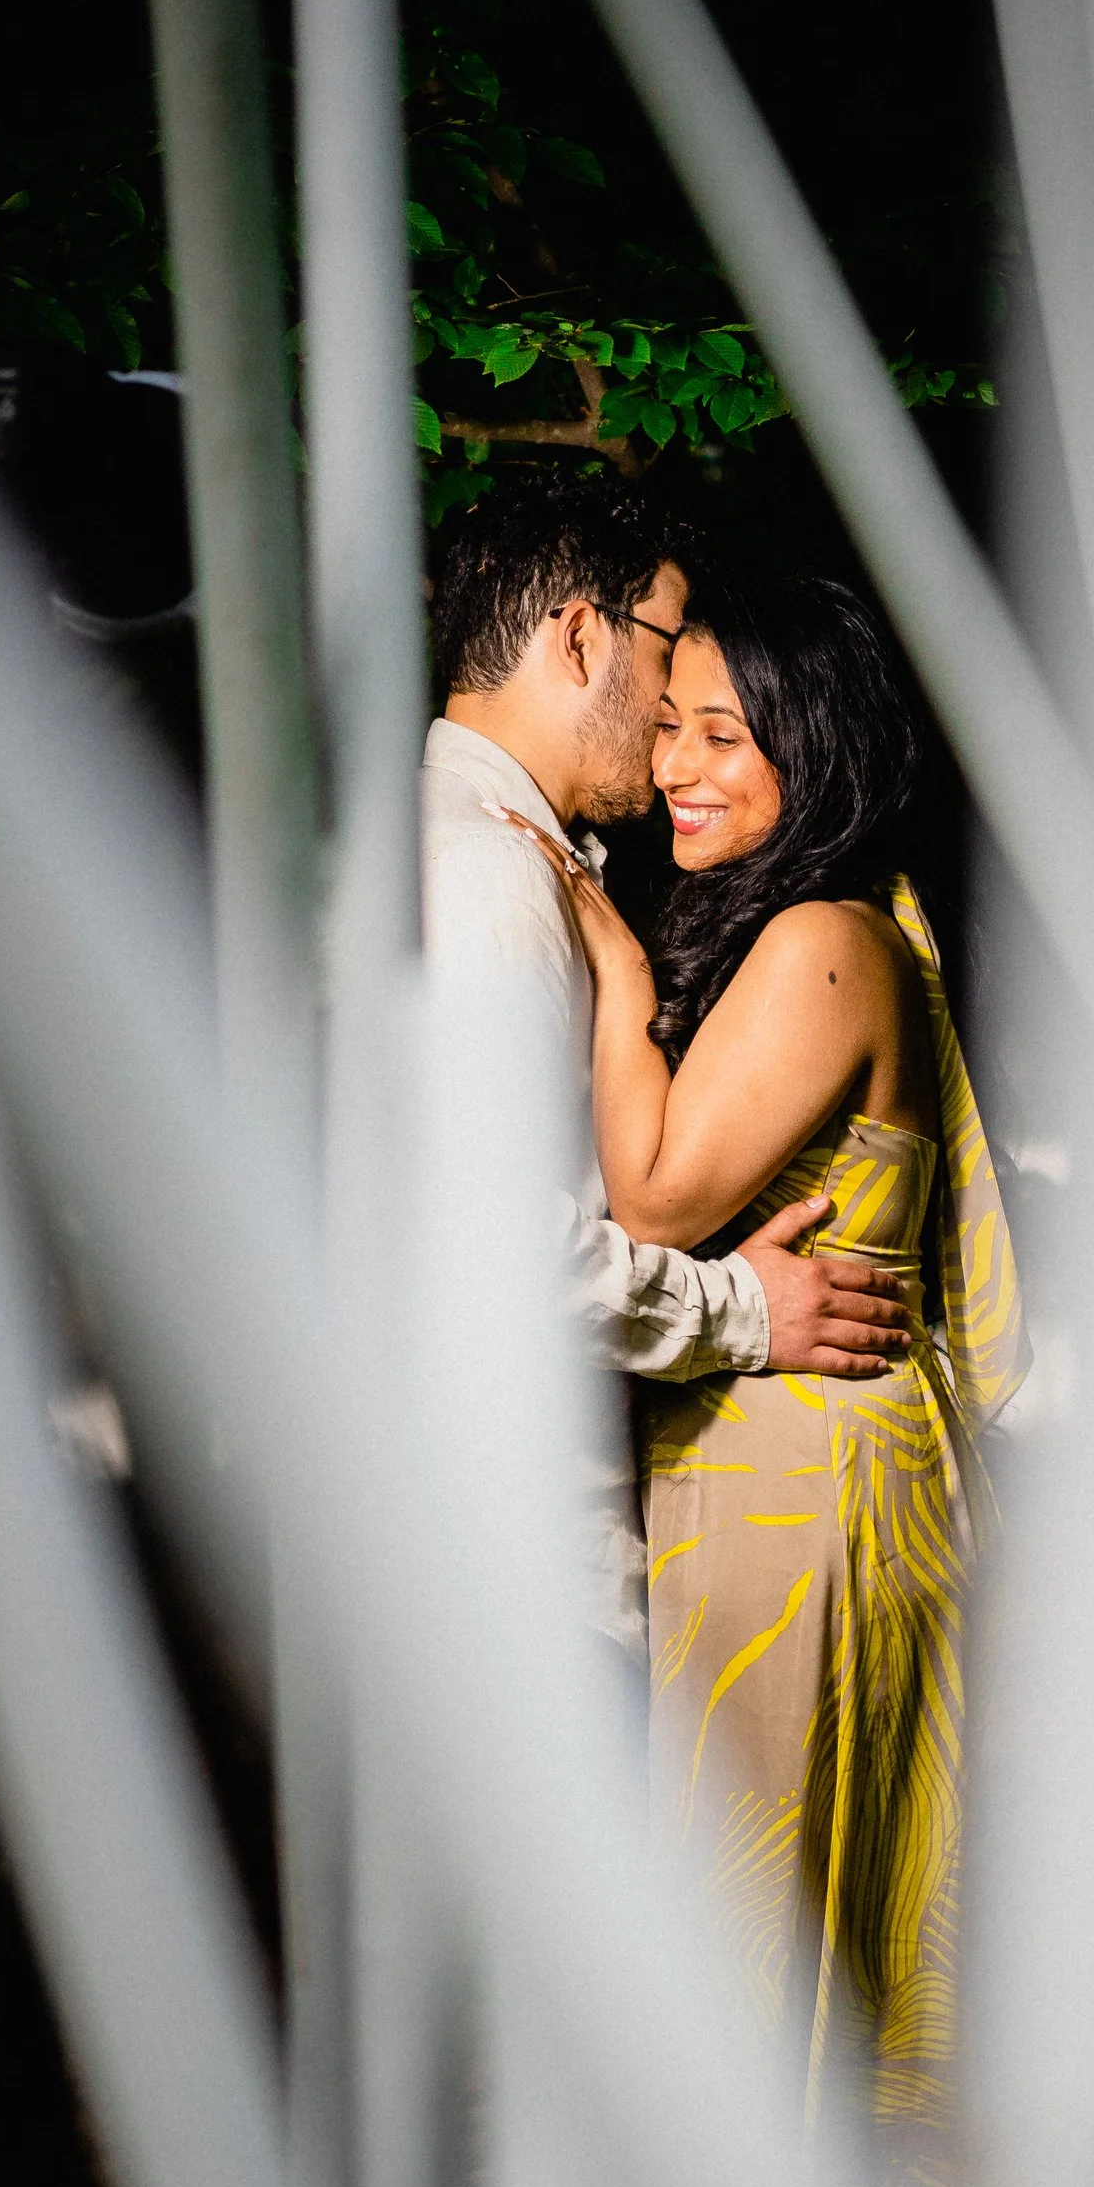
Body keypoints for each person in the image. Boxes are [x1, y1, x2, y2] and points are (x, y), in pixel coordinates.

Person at [523, 570, 1025, 2187]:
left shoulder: (823, 940)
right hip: (789, 1464)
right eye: (668, 728)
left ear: (820, 754)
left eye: (726, 737)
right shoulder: (824, 925)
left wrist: (604, 969)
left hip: (800, 1484)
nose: (679, 766)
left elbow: (658, 1198)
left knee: (765, 1935)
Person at [419, 468, 915, 1651]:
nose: (665, 716)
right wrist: (741, 1308)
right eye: (663, 653)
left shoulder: (477, 848)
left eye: (717, 727)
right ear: (582, 637)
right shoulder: (490, 872)